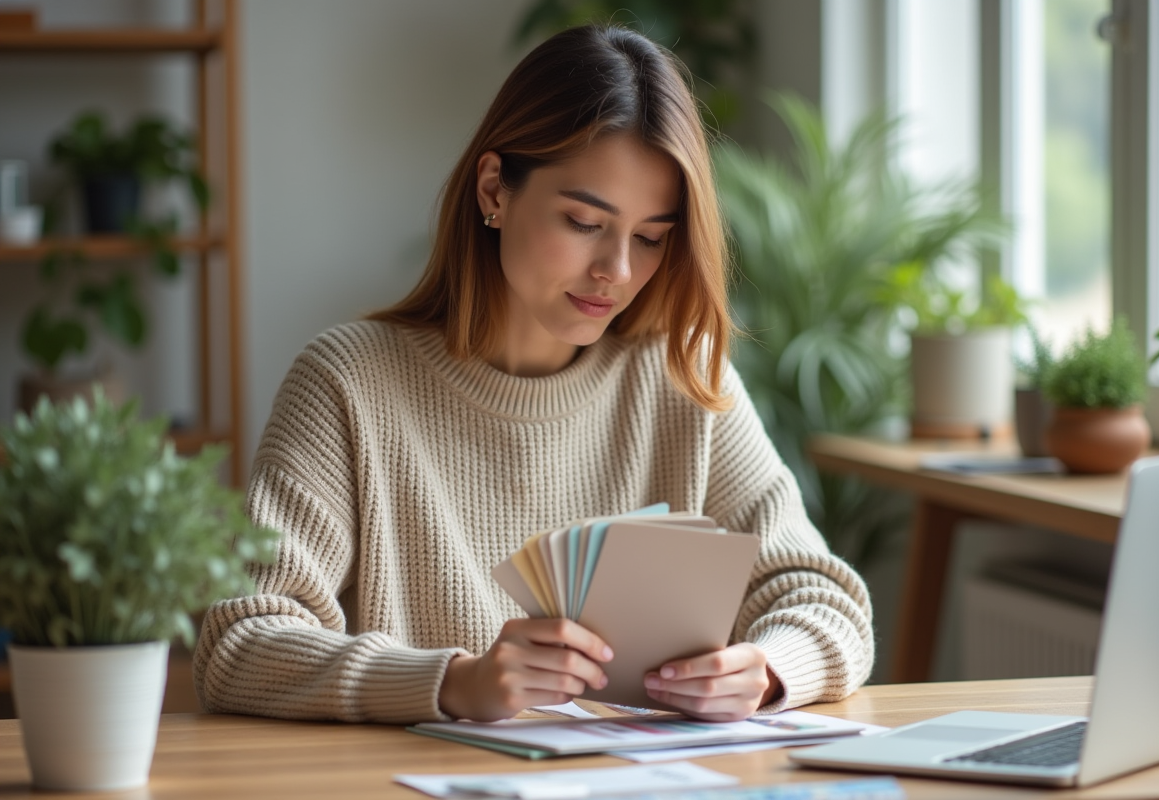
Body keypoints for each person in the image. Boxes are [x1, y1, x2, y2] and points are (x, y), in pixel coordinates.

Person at [194, 24, 874, 725]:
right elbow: (239, 643)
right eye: (584, 221)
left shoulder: (681, 378)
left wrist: (766, 671)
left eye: (650, 238)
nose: (617, 270)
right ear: (495, 188)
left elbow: (825, 599)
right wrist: (453, 683)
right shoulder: (347, 384)